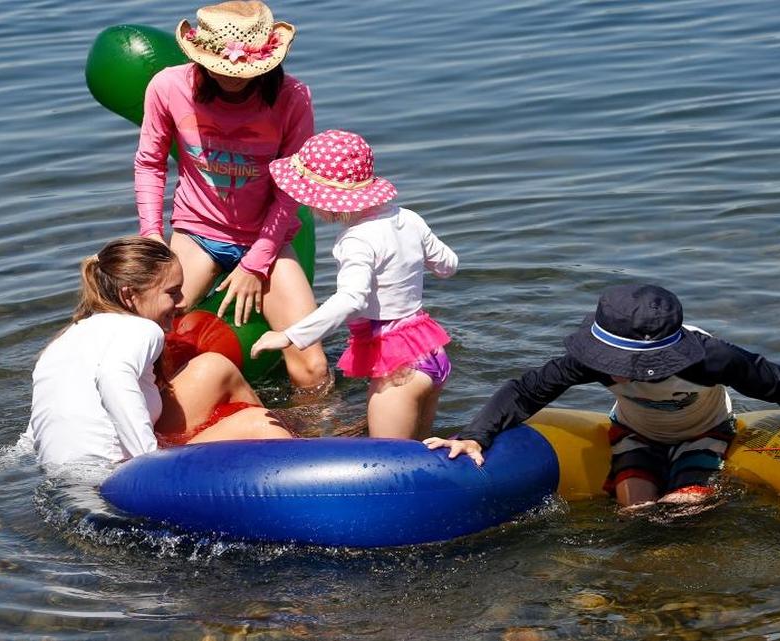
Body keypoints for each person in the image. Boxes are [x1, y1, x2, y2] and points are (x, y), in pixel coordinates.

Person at [425, 284, 780, 508]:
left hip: (706, 430)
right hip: (635, 430)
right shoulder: (590, 360)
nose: (616, 371)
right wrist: (475, 435)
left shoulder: (710, 359)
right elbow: (525, 390)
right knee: (637, 512)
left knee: (684, 506)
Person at [133, 0, 329, 392]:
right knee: (148, 347)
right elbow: (150, 163)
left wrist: (256, 263)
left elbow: (292, 186)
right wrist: (151, 237)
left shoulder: (292, 97)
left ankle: (309, 427)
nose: (232, 77)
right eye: (220, 68)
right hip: (196, 233)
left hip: (265, 237)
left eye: (242, 71)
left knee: (312, 368)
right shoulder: (168, 87)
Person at [250, 130, 459, 440]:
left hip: (396, 367)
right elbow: (448, 265)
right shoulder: (409, 218)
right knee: (423, 451)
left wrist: (290, 335)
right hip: (430, 351)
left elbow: (351, 300)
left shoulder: (356, 239)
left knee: (388, 460)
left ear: (324, 197)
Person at [24, 237, 293, 469]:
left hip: (65, 476)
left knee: (214, 368)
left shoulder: (63, 341)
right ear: (129, 295)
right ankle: (302, 465)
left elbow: (40, 425)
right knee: (258, 423)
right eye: (172, 292)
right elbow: (112, 375)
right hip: (116, 477)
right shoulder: (144, 330)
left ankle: (279, 440)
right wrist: (150, 463)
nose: (183, 302)